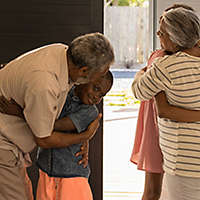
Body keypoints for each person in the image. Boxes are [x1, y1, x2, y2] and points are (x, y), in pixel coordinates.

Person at [0, 32, 114, 200]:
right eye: (102, 72)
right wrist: (85, 135)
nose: (103, 75)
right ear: (84, 71)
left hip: (65, 172)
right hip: (5, 143)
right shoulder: (45, 84)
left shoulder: (62, 53)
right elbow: (44, 137)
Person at [132, 7, 200, 200]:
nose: (158, 36)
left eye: (161, 33)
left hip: (184, 162)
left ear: (174, 36)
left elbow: (139, 91)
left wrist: (141, 73)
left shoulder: (164, 66)